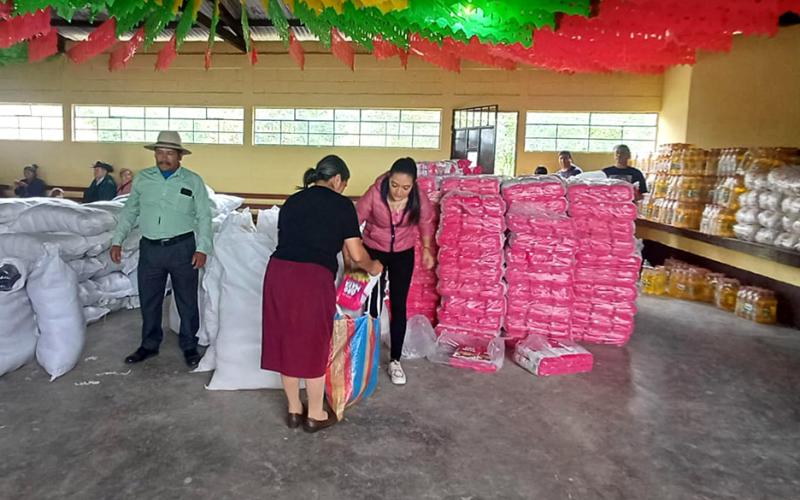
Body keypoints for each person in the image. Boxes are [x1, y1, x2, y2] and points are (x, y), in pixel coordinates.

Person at [261, 155, 383, 433]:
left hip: (278, 273)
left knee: (286, 340)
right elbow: (355, 252)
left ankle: (294, 410)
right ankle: (315, 413)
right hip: (311, 278)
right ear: (338, 179)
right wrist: (372, 265)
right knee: (314, 344)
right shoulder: (342, 205)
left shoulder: (293, 201)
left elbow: (298, 239)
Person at [110, 131, 213, 369]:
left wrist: (203, 247)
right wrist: (117, 240)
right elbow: (130, 211)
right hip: (150, 249)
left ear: (179, 156)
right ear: (154, 154)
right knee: (149, 299)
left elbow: (204, 216)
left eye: (169, 153)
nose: (163, 157)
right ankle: (149, 344)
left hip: (183, 247)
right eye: (160, 152)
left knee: (187, 299)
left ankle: (189, 346)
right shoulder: (143, 179)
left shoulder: (192, 181)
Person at [356, 157, 436, 386]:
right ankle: (366, 356)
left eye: (405, 187)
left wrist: (427, 249)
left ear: (413, 185)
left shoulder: (417, 198)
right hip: (374, 250)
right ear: (388, 178)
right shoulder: (374, 193)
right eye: (394, 185)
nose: (399, 192)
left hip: (403, 253)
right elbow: (355, 221)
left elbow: (425, 223)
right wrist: (356, 254)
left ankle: (395, 360)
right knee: (372, 304)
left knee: (399, 305)